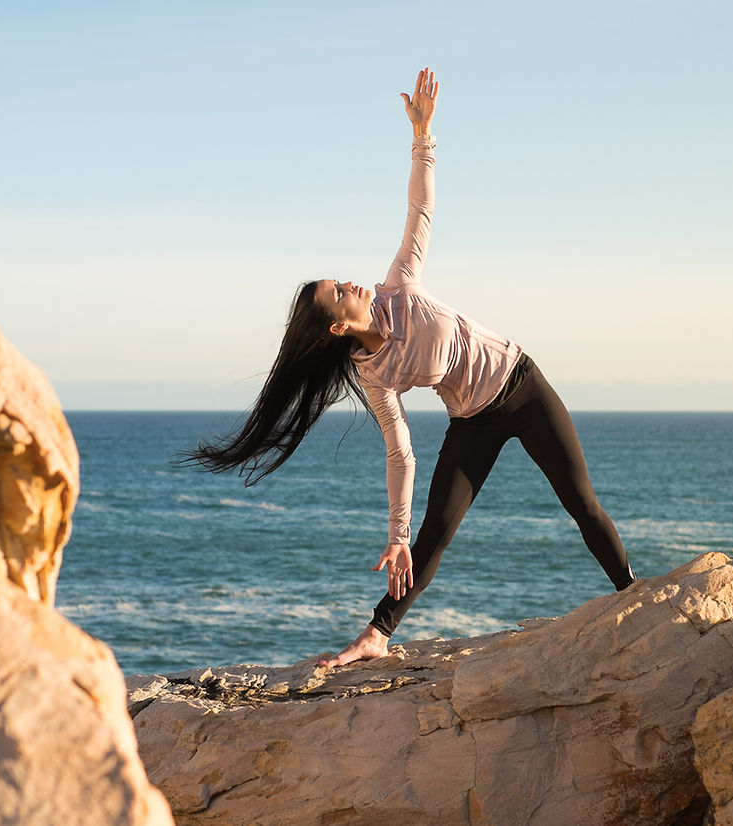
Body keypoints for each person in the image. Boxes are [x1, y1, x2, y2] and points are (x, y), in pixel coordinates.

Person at [184, 68, 634, 667]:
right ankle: (376, 633)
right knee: (432, 533)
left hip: (521, 383)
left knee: (580, 499)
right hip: (473, 418)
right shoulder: (374, 374)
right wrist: (395, 537)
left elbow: (420, 208)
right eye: (337, 292)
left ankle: (635, 596)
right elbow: (400, 450)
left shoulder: (399, 288)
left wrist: (424, 135)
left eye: (338, 280)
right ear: (338, 327)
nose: (350, 281)